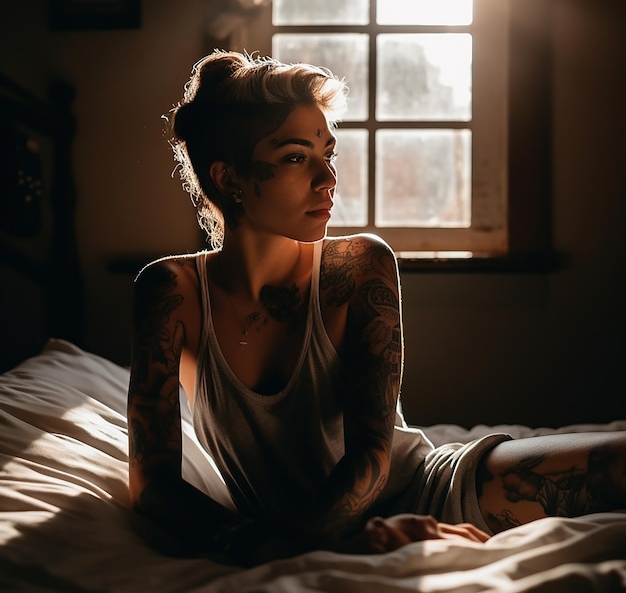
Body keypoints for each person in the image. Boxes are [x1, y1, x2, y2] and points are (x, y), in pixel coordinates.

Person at [127, 50, 626, 566]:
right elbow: (151, 483)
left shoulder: (359, 265)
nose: (327, 179)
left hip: (437, 493)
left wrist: (348, 538)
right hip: (318, 535)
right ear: (229, 179)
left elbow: (372, 457)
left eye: (329, 154)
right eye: (297, 157)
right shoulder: (171, 292)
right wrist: (288, 547)